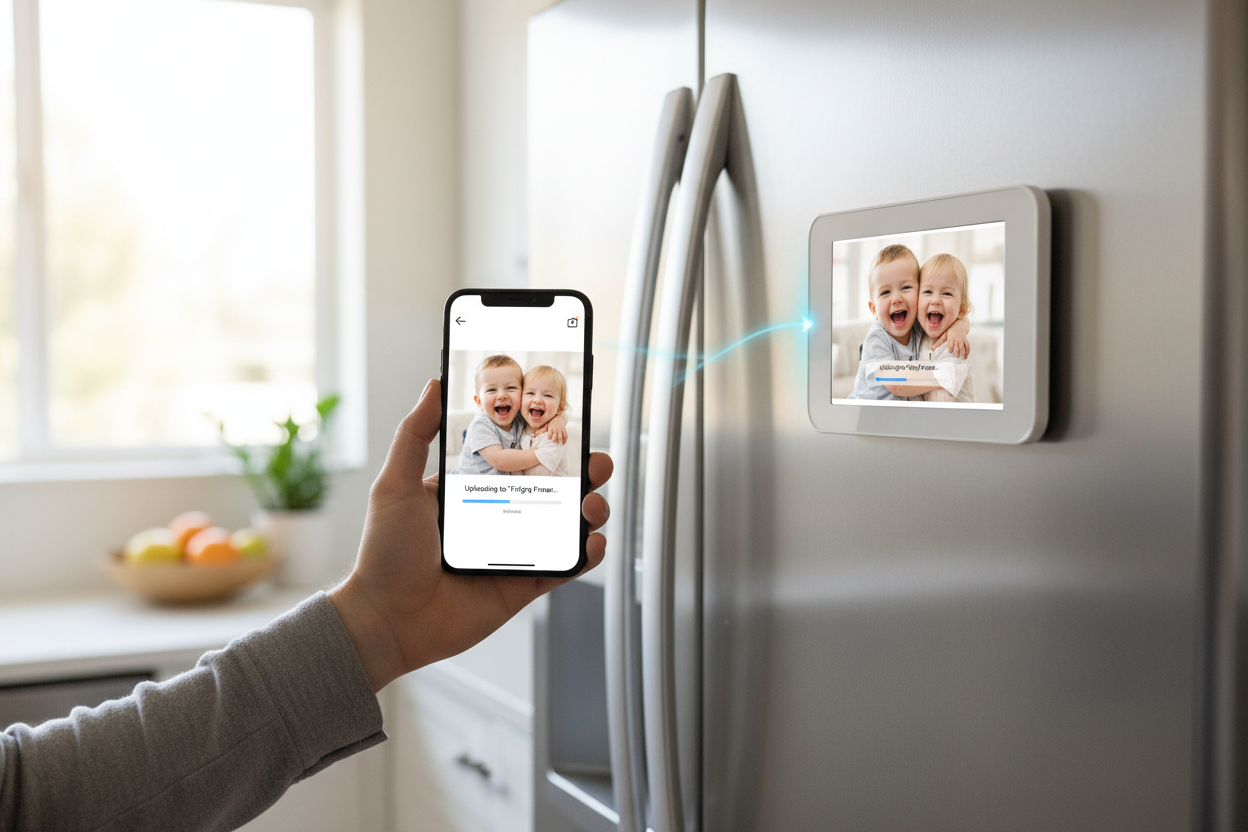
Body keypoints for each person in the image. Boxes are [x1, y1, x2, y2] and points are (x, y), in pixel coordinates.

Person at [0, 379, 613, 831]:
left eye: (531, 394)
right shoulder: (492, 433)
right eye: (502, 391)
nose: (519, 401)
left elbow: (29, 795)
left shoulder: (535, 430)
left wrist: (374, 620)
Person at [847, 244, 970, 400]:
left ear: (919, 293)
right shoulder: (876, 339)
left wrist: (959, 327)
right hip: (864, 416)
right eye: (885, 292)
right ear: (873, 309)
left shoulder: (917, 326)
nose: (897, 298)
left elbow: (954, 316)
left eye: (905, 287)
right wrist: (946, 374)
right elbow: (896, 383)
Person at [449, 354, 567, 475]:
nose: (502, 395)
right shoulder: (480, 424)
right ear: (479, 402)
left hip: (498, 488)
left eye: (510, 387)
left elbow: (554, 411)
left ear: (521, 394)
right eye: (491, 390)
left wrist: (559, 420)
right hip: (468, 486)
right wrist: (542, 454)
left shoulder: (519, 417)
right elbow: (500, 460)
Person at [915, 253, 976, 403]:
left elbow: (942, 400)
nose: (935, 300)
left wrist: (960, 326)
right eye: (927, 292)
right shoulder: (916, 333)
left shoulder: (956, 346)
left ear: (961, 309)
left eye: (947, 293)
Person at [518, 365, 571, 477]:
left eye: (548, 395)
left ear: (559, 407)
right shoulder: (520, 424)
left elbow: (537, 475)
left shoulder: (555, 435)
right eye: (530, 393)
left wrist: (507, 459)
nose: (537, 400)